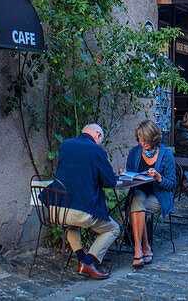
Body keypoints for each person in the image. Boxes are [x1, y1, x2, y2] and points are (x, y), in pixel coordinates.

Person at [43, 123, 119, 280]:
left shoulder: (65, 145)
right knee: (113, 229)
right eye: (101, 139)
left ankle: (81, 259)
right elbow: (110, 181)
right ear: (97, 135)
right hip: (81, 212)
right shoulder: (96, 150)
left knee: (71, 224)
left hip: (57, 210)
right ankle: (87, 262)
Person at [125, 120, 176, 268]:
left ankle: (139, 248)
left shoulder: (166, 155)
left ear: (153, 139)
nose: (142, 143)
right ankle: (143, 247)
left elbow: (171, 185)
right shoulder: (135, 152)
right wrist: (126, 174)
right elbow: (131, 173)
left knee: (137, 209)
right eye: (139, 139)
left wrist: (159, 178)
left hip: (159, 195)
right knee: (137, 202)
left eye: (145, 140)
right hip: (139, 191)